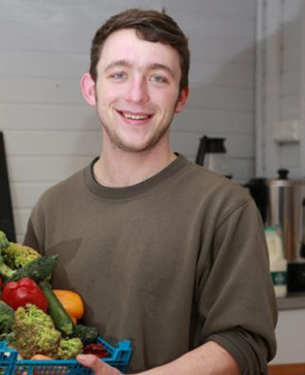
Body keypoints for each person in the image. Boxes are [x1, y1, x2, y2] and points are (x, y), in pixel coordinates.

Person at [23, 8, 277, 375]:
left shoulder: (223, 208)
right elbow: (28, 325)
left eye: (158, 77)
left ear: (181, 97)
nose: (137, 94)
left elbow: (245, 343)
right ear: (91, 89)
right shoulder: (52, 207)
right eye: (119, 74)